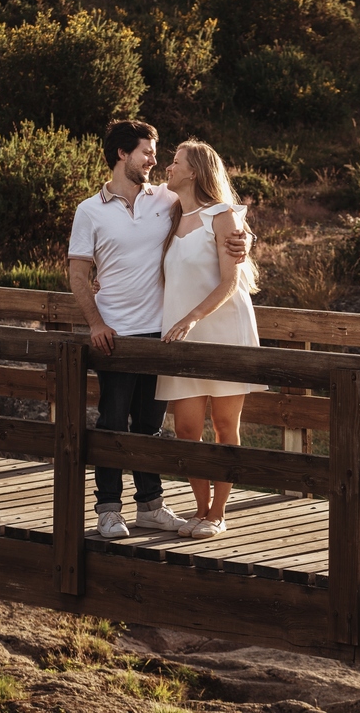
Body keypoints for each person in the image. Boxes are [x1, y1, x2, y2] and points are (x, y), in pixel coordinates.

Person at [67, 121, 251, 539]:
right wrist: (96, 323)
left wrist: (246, 243)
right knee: (113, 423)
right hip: (116, 336)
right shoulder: (89, 210)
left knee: (150, 428)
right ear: (122, 154)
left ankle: (150, 506)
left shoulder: (167, 198)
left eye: (159, 154)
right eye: (147, 152)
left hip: (162, 335)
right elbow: (78, 274)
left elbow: (219, 212)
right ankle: (108, 510)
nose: (155, 160)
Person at [155, 141, 264, 540]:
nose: (168, 167)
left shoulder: (223, 215)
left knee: (223, 424)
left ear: (195, 171)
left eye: (175, 162)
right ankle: (199, 509)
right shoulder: (169, 212)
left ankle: (217, 513)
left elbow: (231, 281)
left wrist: (192, 317)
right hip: (180, 337)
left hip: (223, 330)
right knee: (186, 429)